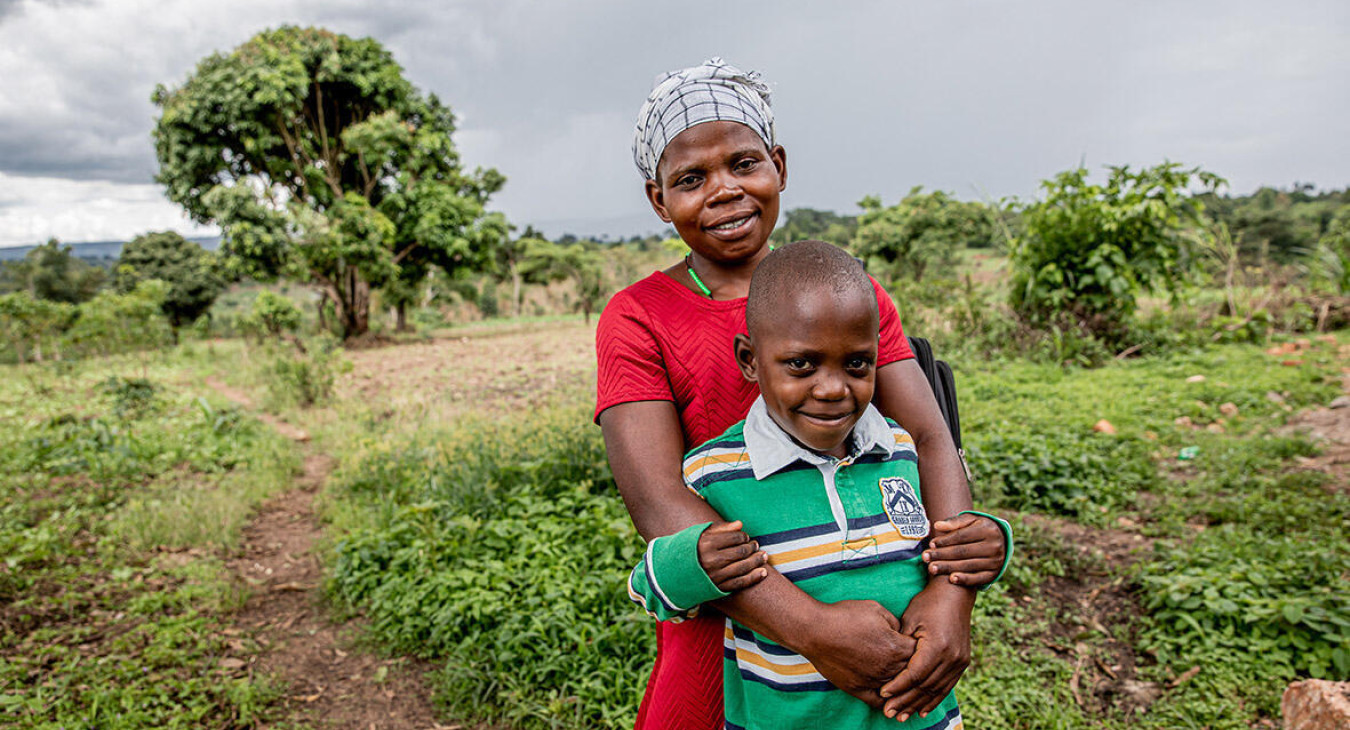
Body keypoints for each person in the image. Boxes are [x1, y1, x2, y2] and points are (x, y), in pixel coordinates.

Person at [596, 58, 1011, 730]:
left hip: (881, 613)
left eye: (743, 163)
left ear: (779, 166)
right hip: (728, 616)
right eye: (691, 179)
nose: (724, 190)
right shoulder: (639, 316)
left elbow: (931, 438)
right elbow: (658, 501)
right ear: (658, 199)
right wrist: (811, 629)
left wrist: (950, 593)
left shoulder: (853, 297)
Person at [628, 240, 987, 729]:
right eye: (802, 364)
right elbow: (653, 586)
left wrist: (986, 547)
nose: (833, 388)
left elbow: (958, 548)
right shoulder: (714, 475)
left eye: (857, 364)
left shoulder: (899, 450)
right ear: (750, 360)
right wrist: (693, 560)